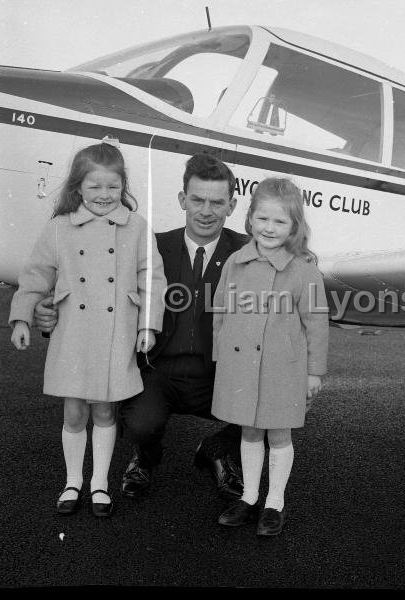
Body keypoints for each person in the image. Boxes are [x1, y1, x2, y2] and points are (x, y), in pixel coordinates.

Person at [35, 152, 248, 500]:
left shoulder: (248, 252)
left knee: (278, 400)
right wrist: (50, 314)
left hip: (218, 375)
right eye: (197, 200)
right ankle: (144, 458)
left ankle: (220, 449)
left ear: (232, 205)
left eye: (217, 202)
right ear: (182, 200)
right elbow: (94, 288)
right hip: (159, 371)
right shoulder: (152, 245)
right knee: (140, 423)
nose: (206, 211)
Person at [9, 141, 166, 517]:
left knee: (105, 412)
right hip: (74, 333)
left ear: (124, 187)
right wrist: (21, 316)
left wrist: (149, 326)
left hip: (117, 333)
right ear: (78, 187)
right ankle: (72, 481)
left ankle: (100, 484)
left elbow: (153, 280)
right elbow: (35, 274)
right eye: (94, 186)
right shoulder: (59, 228)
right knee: (75, 412)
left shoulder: (137, 228)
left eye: (113, 186)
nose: (104, 195)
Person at [212, 178, 329, 536]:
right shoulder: (236, 261)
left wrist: (314, 373)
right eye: (262, 219)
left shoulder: (303, 269)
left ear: (295, 226)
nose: (269, 228)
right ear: (250, 220)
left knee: (278, 434)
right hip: (241, 366)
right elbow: (220, 309)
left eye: (280, 222)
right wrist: (221, 356)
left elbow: (317, 324)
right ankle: (248, 497)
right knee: (248, 430)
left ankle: (274, 502)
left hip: (283, 368)